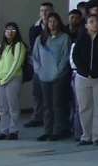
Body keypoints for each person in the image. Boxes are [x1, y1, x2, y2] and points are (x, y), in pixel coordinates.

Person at [69, 13, 98, 146]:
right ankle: (86, 135)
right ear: (86, 25)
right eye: (91, 21)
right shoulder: (81, 39)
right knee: (84, 107)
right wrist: (85, 71)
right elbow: (76, 57)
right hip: (83, 77)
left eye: (97, 21)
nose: (95, 24)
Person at [31, 13, 73, 143]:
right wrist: (39, 70)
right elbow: (35, 57)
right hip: (43, 76)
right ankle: (47, 130)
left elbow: (66, 56)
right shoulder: (40, 38)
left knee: (58, 104)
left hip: (59, 76)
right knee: (46, 104)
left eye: (55, 21)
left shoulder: (64, 38)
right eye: (50, 21)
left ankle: (57, 130)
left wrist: (59, 71)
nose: (52, 24)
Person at [0, 23, 27, 141]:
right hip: (0, 80)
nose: (10, 32)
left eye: (13, 30)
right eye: (8, 30)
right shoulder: (1, 46)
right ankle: (4, 130)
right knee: (2, 107)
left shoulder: (19, 45)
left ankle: (13, 130)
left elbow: (17, 63)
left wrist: (6, 79)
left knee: (13, 106)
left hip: (14, 79)